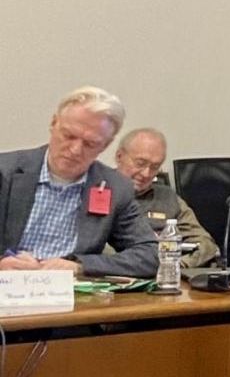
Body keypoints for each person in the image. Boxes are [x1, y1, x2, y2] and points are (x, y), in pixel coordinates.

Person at [0, 86, 158, 277]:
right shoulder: (5, 172)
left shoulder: (115, 187)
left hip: (73, 290)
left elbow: (150, 255)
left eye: (90, 144)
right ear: (53, 123)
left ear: (105, 145)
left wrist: (80, 266)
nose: (75, 150)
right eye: (69, 136)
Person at [113, 127, 220, 267]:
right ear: (119, 157)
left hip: (164, 272)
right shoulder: (97, 191)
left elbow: (205, 244)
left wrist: (177, 265)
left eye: (155, 167)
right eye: (140, 164)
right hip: (114, 272)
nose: (146, 173)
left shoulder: (168, 198)